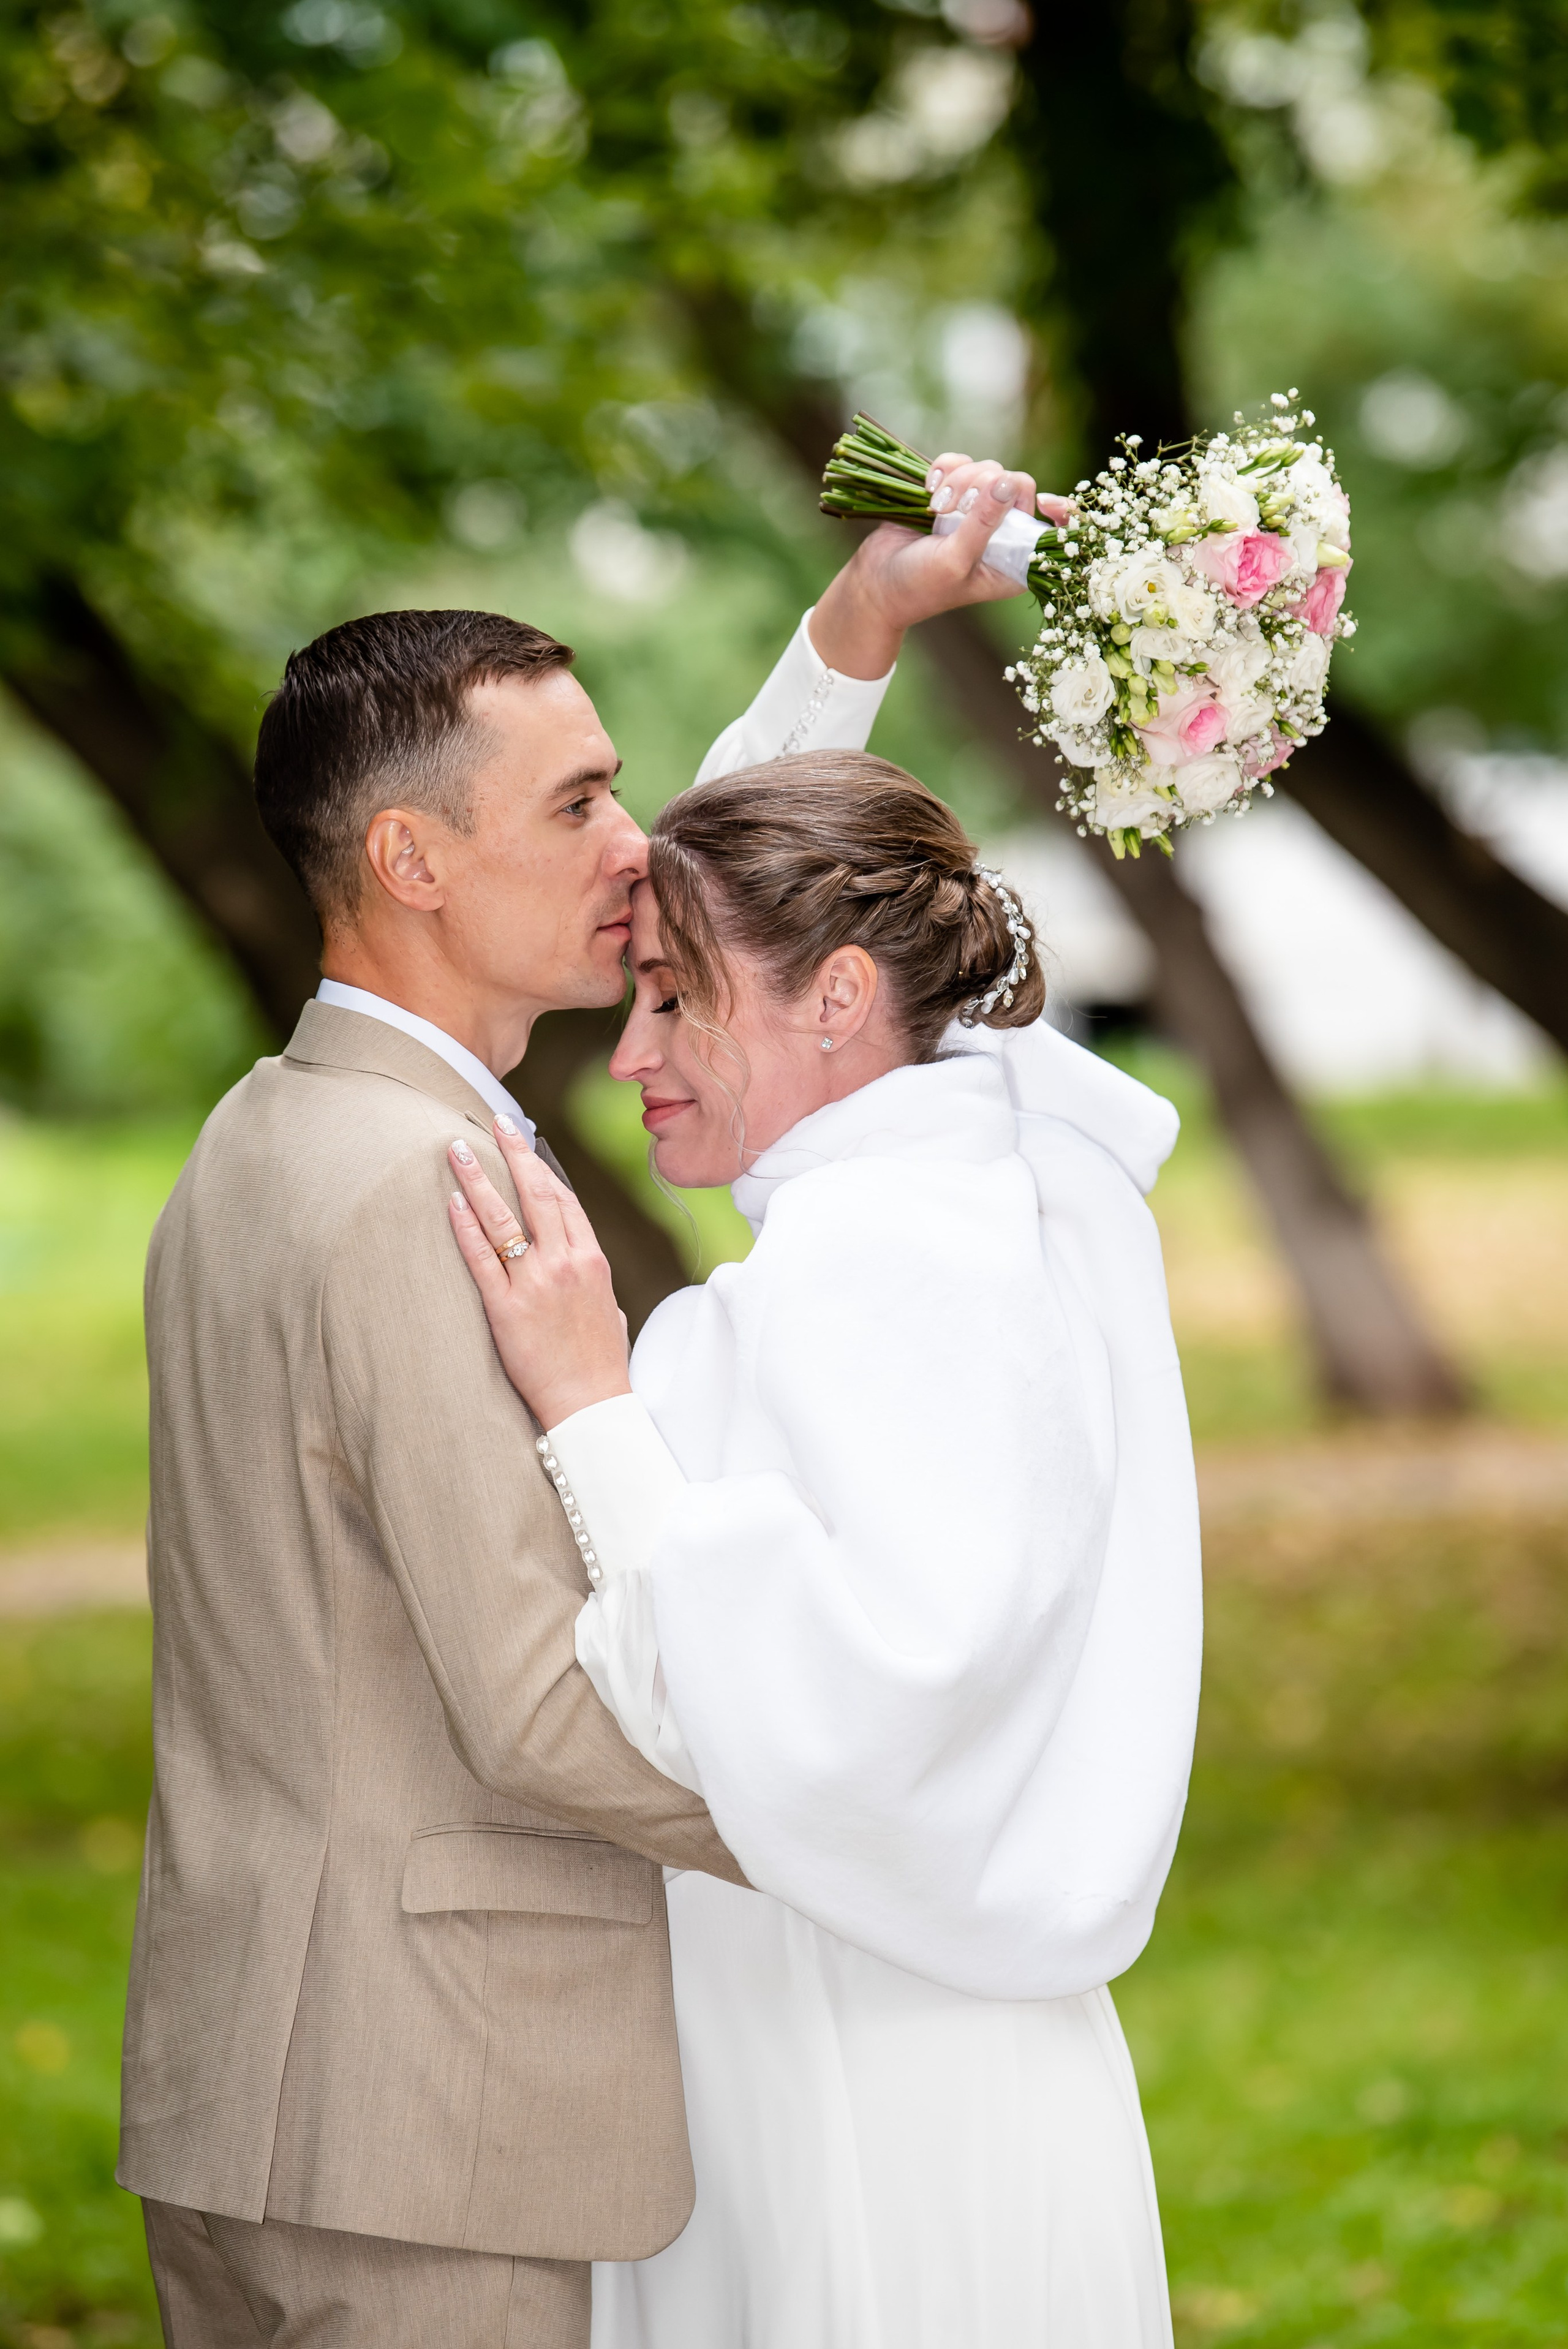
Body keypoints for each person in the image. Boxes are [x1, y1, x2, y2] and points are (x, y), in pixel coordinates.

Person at [119, 453, 1047, 2348]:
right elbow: (542, 1698)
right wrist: (873, 1843)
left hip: (259, 2086)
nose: (633, 842)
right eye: (580, 799)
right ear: (413, 862)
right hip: (419, 2135)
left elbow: (742, 915)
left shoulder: (268, 1128)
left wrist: (855, 629)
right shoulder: (421, 1190)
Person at [446, 752, 1203, 2348]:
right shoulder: (1000, 1199)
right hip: (957, 2050)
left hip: (857, 2079)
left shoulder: (875, 1263)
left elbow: (795, 1704)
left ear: (841, 996)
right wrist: (849, 635)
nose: (631, 1049)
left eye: (670, 996)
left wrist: (589, 1401)